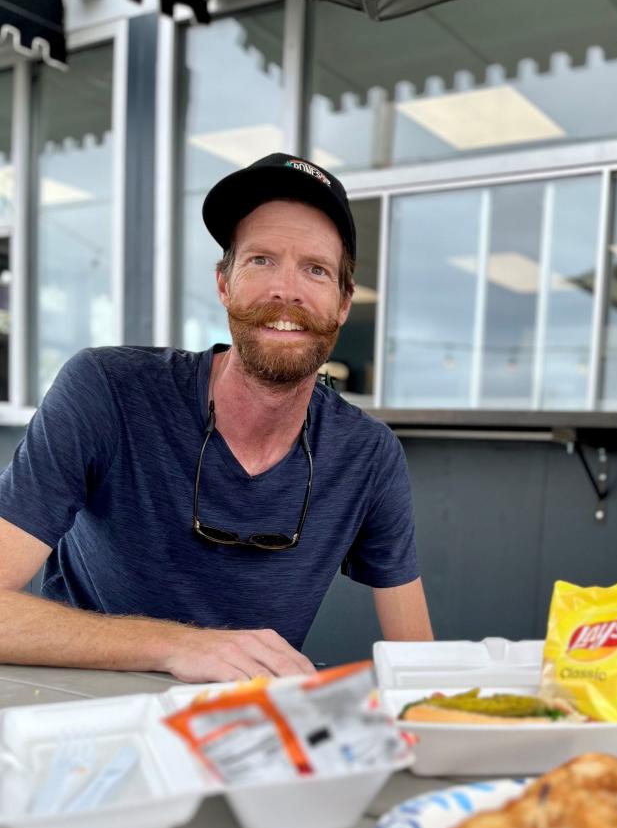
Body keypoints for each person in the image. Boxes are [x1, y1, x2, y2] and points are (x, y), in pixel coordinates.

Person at [0, 153, 432, 682]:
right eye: (261, 260)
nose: (286, 291)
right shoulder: (107, 390)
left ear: (344, 302)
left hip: (243, 739)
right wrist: (178, 647)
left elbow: (420, 666)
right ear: (224, 283)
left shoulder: (367, 454)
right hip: (88, 725)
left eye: (315, 269)